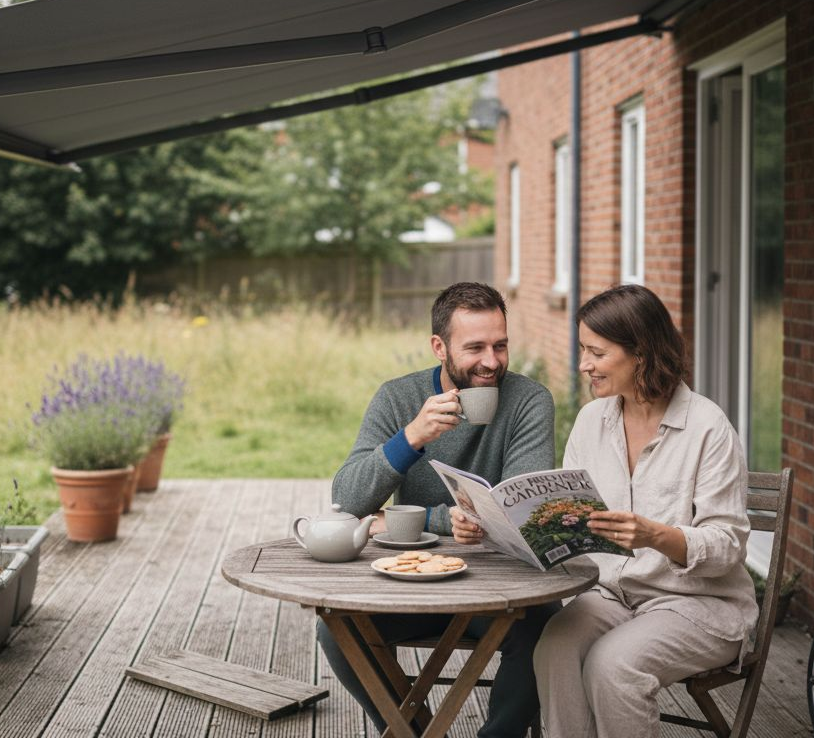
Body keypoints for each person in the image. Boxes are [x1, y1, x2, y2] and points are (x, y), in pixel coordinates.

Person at [320, 281, 557, 738]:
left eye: (500, 345)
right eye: (475, 348)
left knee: (547, 624)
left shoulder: (529, 401)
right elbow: (347, 500)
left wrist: (412, 518)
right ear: (439, 347)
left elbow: (520, 510)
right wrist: (411, 438)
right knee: (337, 631)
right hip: (415, 584)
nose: (491, 361)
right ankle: (414, 731)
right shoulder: (397, 399)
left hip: (500, 587)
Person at [525, 284, 758, 738]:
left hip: (698, 603)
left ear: (641, 354)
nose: (583, 365)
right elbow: (571, 517)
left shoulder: (708, 428)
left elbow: (728, 547)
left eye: (596, 352)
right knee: (553, 648)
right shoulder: (592, 421)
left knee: (614, 666)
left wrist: (655, 536)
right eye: (582, 350)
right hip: (612, 594)